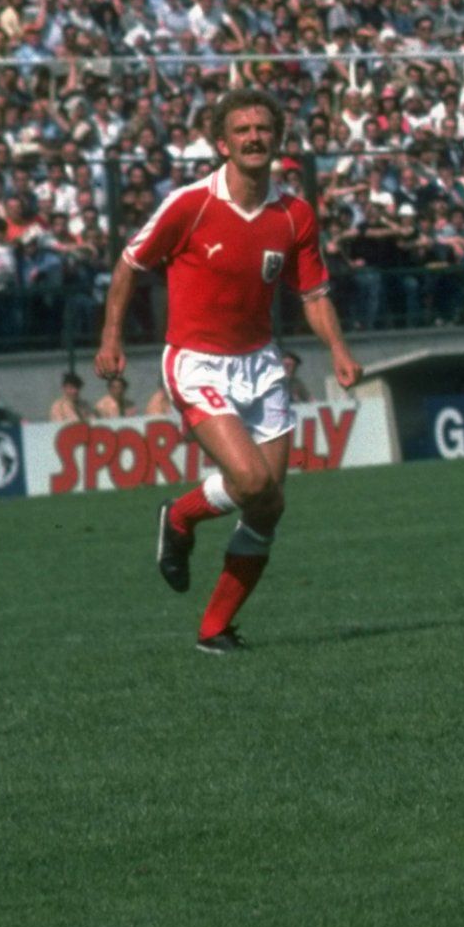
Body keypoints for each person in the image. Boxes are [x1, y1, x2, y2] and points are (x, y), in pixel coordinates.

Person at [98, 91, 364, 656]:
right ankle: (180, 516)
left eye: (263, 128)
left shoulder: (294, 214)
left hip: (261, 365)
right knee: (248, 482)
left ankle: (214, 629)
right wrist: (111, 337)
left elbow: (313, 294)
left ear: (278, 138)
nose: (253, 137)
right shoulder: (190, 204)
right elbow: (129, 264)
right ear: (222, 143)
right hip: (195, 362)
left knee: (269, 504)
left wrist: (338, 350)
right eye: (241, 129)